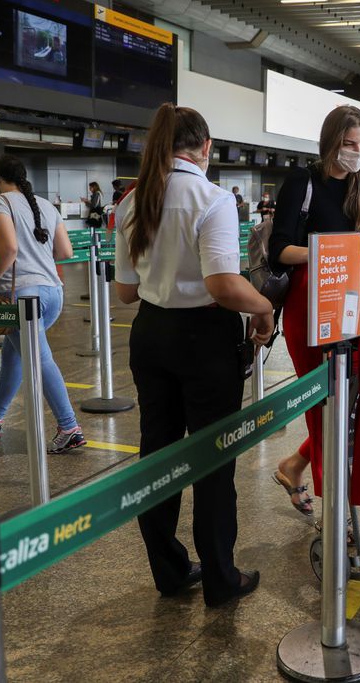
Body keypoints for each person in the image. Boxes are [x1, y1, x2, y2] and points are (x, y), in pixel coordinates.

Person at [114, 103, 273, 606]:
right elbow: (224, 286)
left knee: (157, 455)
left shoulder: (131, 201)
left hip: (151, 335)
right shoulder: (212, 198)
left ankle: (170, 571)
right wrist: (265, 305)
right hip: (205, 340)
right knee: (213, 460)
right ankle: (222, 581)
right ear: (205, 148)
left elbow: (125, 292)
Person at [269, 105, 360, 515]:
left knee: (354, 397)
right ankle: (336, 510)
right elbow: (279, 251)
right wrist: (330, 254)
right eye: (349, 144)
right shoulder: (302, 181)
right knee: (327, 403)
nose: (357, 152)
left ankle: (294, 465)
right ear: (331, 142)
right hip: (314, 303)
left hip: (353, 300)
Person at [0, 155, 86, 454]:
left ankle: (69, 427)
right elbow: (65, 251)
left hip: (21, 295)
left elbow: (9, 248)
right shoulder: (46, 205)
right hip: (53, 293)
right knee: (15, 353)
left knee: (39, 359)